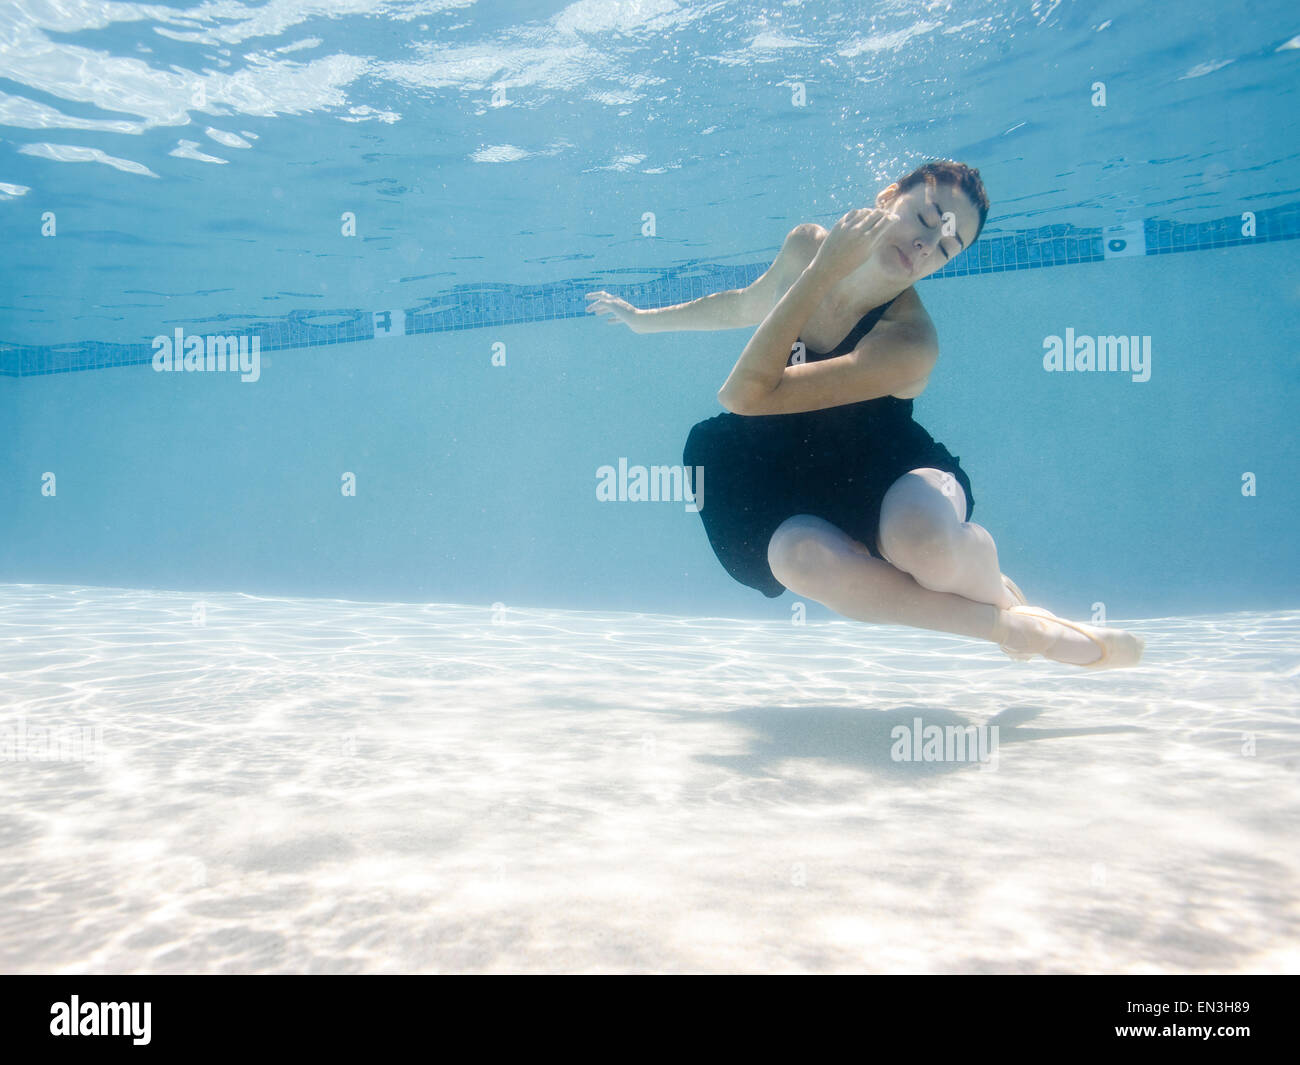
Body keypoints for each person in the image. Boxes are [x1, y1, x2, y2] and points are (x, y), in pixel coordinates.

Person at [586, 160, 1144, 669]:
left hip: (884, 467)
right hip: (776, 466)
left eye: (947, 247)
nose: (927, 244)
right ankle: (1012, 627)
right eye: (926, 218)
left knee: (919, 541)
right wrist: (645, 320)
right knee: (799, 560)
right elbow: (745, 304)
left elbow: (746, 395)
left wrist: (825, 272)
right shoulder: (807, 247)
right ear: (886, 197)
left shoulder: (909, 341)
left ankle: (999, 594)